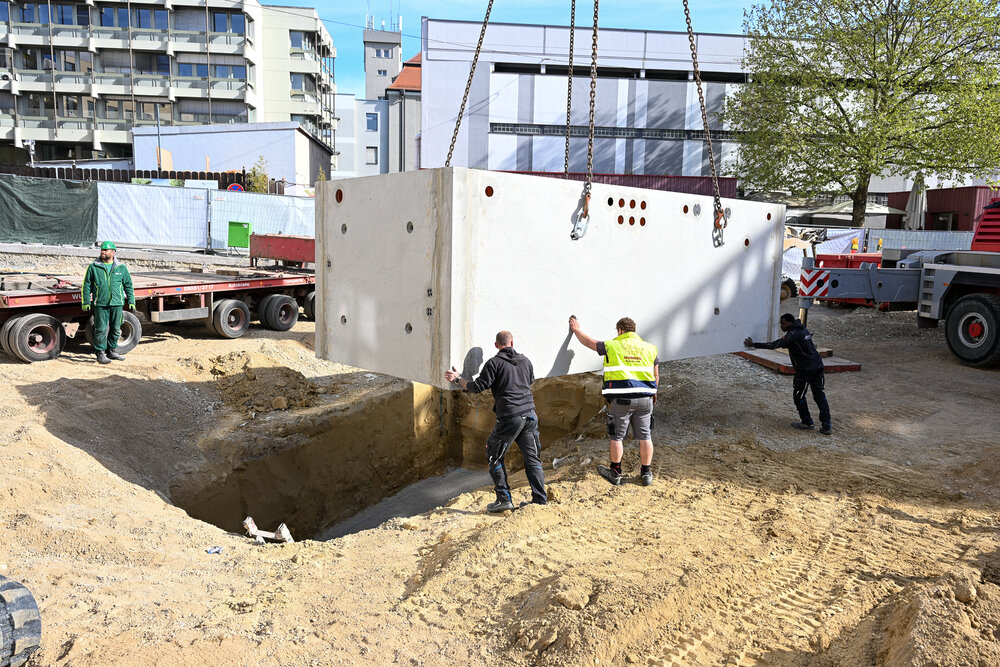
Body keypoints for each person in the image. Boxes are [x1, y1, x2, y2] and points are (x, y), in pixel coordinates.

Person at [445, 331, 547, 513]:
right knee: (532, 459)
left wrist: (458, 379)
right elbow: (529, 381)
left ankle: (504, 499)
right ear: (512, 343)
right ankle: (540, 499)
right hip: (530, 415)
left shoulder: (494, 363)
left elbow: (477, 387)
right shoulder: (526, 360)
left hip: (510, 417)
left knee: (494, 455)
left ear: (496, 345)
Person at [569, 315, 659, 486]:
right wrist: (654, 392)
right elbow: (656, 374)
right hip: (646, 398)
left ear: (620, 330)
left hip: (623, 399)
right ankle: (646, 473)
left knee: (617, 437)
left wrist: (576, 330)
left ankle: (615, 472)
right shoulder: (650, 348)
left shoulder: (612, 345)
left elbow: (589, 342)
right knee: (645, 436)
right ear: (634, 330)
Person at [744, 313, 832, 435]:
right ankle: (826, 425)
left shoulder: (793, 335)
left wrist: (754, 344)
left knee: (798, 396)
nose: (781, 326)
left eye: (783, 323)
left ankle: (807, 422)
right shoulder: (803, 329)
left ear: (790, 323)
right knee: (819, 396)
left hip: (805, 370)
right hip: (817, 366)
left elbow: (775, 344)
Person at [81, 241, 135, 364]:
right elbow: (86, 285)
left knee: (116, 328)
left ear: (113, 252)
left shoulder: (121, 268)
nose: (102, 252)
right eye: (102, 250)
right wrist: (85, 301)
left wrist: (131, 300)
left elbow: (128, 285)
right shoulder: (93, 267)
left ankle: (112, 351)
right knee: (100, 329)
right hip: (101, 303)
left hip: (117, 303)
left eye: (105, 250)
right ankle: (100, 353)